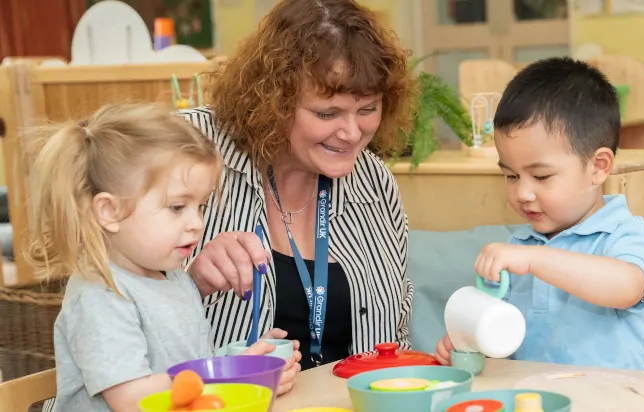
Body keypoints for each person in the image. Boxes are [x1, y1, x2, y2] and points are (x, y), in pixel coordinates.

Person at [181, 0, 415, 370]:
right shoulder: (187, 148)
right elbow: (110, 301)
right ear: (273, 101)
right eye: (327, 113)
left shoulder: (373, 180)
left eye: (368, 109)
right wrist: (190, 282)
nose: (352, 133)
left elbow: (395, 337)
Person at [26, 103, 300, 412]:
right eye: (177, 207)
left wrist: (241, 361)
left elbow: (185, 369)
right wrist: (228, 377)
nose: (197, 223)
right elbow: (132, 399)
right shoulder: (100, 295)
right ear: (109, 212)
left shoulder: (172, 278)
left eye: (201, 207)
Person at [435, 57, 644, 370]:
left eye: (541, 177)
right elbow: (500, 332)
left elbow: (627, 287)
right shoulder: (520, 244)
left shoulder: (622, 233)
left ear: (598, 167)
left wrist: (536, 261)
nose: (522, 193)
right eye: (511, 176)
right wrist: (469, 342)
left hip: (613, 398)